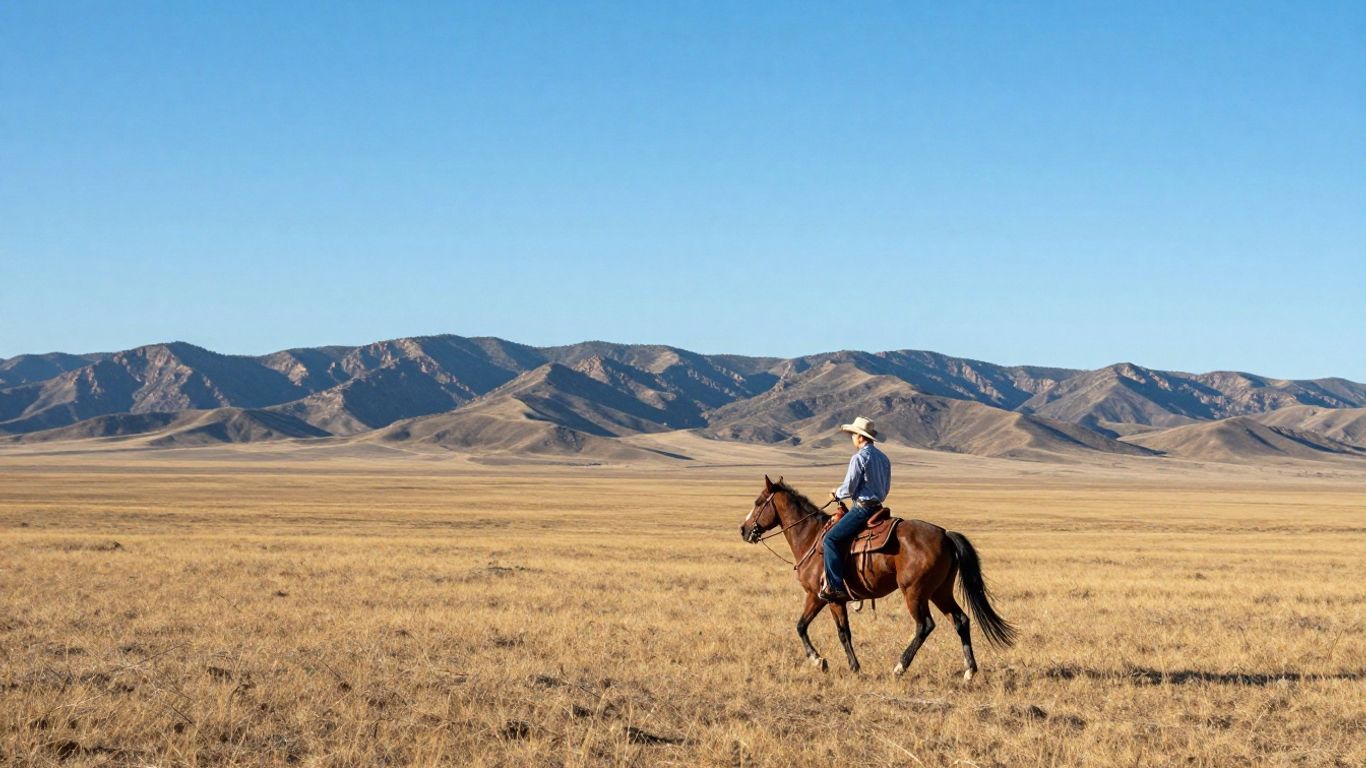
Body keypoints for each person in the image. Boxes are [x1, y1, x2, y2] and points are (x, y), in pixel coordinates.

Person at [819, 416, 892, 603]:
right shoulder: (883, 458)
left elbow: (849, 488)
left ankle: (835, 587)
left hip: (862, 509)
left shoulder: (859, 457)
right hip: (879, 507)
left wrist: (836, 493)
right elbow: (885, 489)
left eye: (853, 434)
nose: (852, 438)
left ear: (860, 437)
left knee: (831, 539)